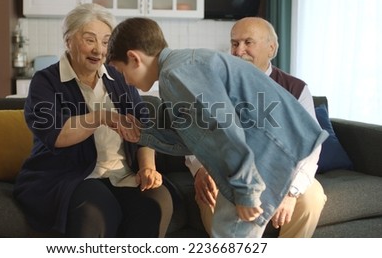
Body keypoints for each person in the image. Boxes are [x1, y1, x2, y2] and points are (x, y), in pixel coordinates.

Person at [106, 17, 328, 238]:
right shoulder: (179, 68)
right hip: (260, 157)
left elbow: (224, 127)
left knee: (229, 235)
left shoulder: (175, 74)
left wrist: (245, 190)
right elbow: (193, 139)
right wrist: (143, 135)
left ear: (134, 58)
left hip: (264, 157)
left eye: (120, 71)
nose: (125, 82)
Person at [12, 4, 173, 238]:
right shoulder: (45, 81)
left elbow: (143, 124)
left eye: (106, 42)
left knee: (157, 202)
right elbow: (56, 134)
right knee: (95, 209)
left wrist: (148, 167)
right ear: (68, 41)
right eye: (90, 40)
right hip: (72, 176)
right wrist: (102, 117)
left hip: (123, 174)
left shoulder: (118, 76)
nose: (99, 50)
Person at [185, 17, 327, 238]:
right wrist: (201, 170)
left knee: (312, 198)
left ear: (271, 47)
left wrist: (292, 193)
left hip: (283, 173)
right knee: (213, 201)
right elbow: (194, 133)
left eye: (248, 42)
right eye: (234, 43)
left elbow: (311, 146)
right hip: (228, 174)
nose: (239, 50)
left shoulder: (295, 89)